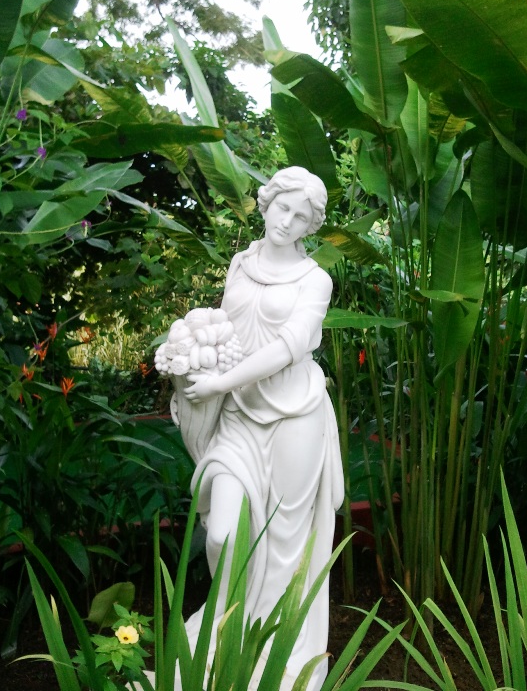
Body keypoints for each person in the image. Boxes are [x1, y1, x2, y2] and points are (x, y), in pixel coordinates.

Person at [178, 166, 344, 690]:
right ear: (267, 201)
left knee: (282, 546)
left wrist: (221, 380)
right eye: (282, 206)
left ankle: (274, 653)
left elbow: (286, 348)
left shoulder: (316, 280)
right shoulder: (241, 263)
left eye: (301, 216)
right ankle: (223, 639)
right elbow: (225, 329)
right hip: (237, 417)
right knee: (224, 534)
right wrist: (189, 359)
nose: (287, 220)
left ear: (310, 226)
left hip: (296, 416)